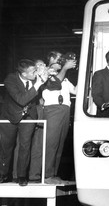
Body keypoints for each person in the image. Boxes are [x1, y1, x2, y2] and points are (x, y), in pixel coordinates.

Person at [29, 51, 77, 184]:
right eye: (59, 58)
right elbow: (55, 84)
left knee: (60, 143)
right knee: (51, 143)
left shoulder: (64, 76)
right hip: (53, 110)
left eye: (63, 59)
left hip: (65, 109)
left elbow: (75, 91)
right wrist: (65, 68)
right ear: (50, 59)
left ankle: (53, 173)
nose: (62, 61)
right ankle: (46, 174)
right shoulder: (45, 73)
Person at [0, 59, 49, 186]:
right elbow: (21, 100)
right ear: (24, 74)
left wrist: (47, 73)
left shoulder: (35, 78)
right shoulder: (10, 80)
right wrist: (37, 84)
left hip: (29, 116)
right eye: (33, 71)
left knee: (25, 146)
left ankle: (22, 176)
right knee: (7, 147)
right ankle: (3, 174)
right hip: (10, 116)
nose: (36, 73)